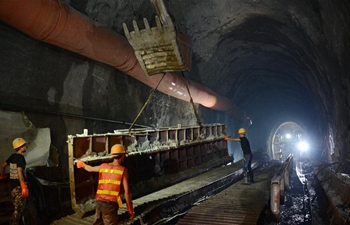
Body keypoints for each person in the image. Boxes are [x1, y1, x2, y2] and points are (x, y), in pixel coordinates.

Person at [76, 144, 134, 225]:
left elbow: (89, 169)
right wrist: (130, 211)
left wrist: (82, 164)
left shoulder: (103, 166)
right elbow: (127, 193)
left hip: (99, 203)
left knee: (98, 223)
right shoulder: (123, 170)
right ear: (122, 156)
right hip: (110, 205)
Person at [0, 137, 29, 225]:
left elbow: (3, 166)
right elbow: (19, 171)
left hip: (12, 187)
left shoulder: (12, 156)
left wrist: (2, 175)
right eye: (24, 146)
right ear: (20, 147)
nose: (25, 147)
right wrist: (23, 185)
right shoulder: (20, 158)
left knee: (17, 208)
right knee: (18, 210)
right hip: (18, 187)